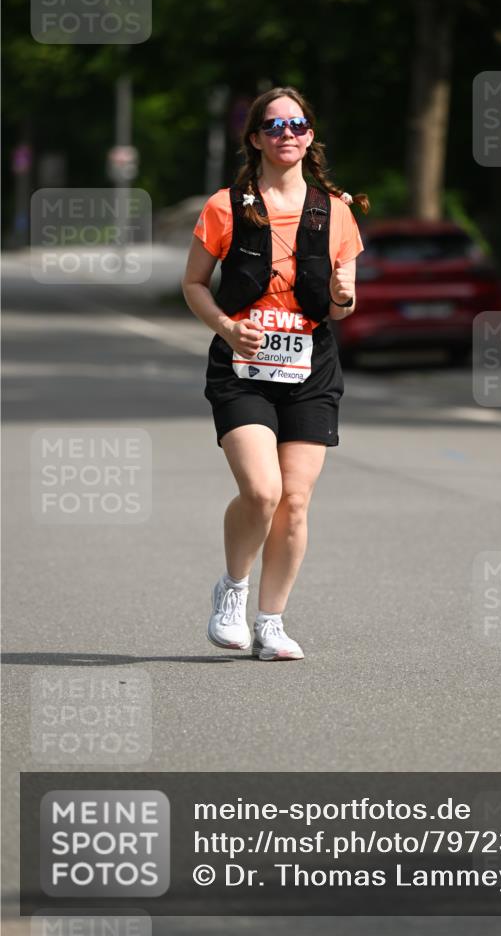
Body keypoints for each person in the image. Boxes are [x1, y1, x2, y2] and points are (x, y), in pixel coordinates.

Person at [182, 86, 369, 661]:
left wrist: (343, 296)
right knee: (262, 491)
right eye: (275, 125)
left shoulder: (335, 211)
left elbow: (342, 305)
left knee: (295, 500)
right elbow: (192, 285)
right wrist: (226, 326)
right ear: (256, 138)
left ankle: (271, 623)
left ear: (310, 136)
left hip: (310, 367)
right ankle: (232, 590)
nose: (287, 134)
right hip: (242, 366)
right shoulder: (224, 206)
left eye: (298, 124)